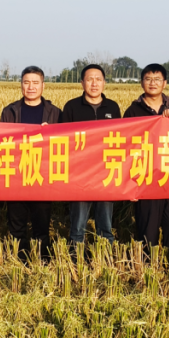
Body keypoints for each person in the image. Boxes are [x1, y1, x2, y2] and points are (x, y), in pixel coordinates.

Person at [0, 66, 62, 257]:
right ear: (21, 85)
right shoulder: (10, 111)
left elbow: (64, 144)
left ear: (43, 85)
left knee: (41, 223)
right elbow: (1, 142)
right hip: (16, 174)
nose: (31, 87)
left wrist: (50, 134)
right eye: (26, 82)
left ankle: (42, 260)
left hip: (42, 175)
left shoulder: (55, 113)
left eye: (35, 82)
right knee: (16, 223)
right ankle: (18, 259)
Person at [123, 63, 169, 249]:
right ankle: (147, 265)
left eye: (157, 79)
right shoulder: (132, 111)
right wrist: (130, 185)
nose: (153, 83)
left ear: (165, 83)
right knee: (147, 233)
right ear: (142, 82)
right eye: (148, 79)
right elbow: (126, 148)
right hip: (146, 180)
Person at [60, 64, 121, 246]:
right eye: (90, 79)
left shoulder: (113, 107)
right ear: (82, 83)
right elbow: (62, 138)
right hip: (80, 174)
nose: (94, 83)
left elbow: (121, 137)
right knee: (78, 226)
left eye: (98, 79)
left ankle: (105, 258)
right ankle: (75, 258)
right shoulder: (72, 107)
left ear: (104, 83)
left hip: (106, 173)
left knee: (105, 224)